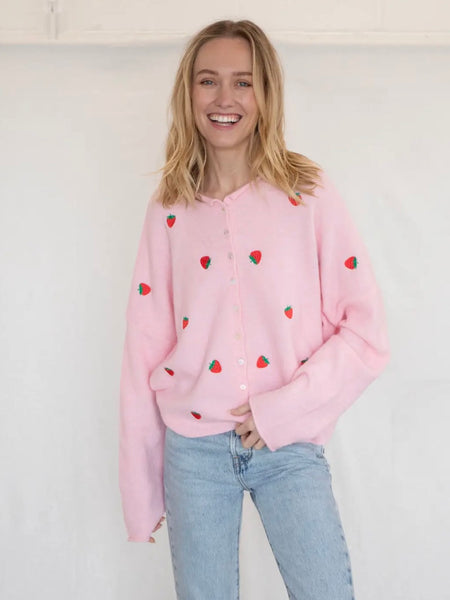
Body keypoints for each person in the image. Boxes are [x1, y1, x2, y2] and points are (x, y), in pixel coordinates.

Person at [119, 18, 390, 600]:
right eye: (208, 80)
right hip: (192, 454)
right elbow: (143, 348)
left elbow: (365, 333)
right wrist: (140, 493)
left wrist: (284, 410)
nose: (225, 98)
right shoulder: (168, 210)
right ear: (188, 92)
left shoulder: (307, 194)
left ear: (266, 93)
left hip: (289, 446)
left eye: (243, 82)